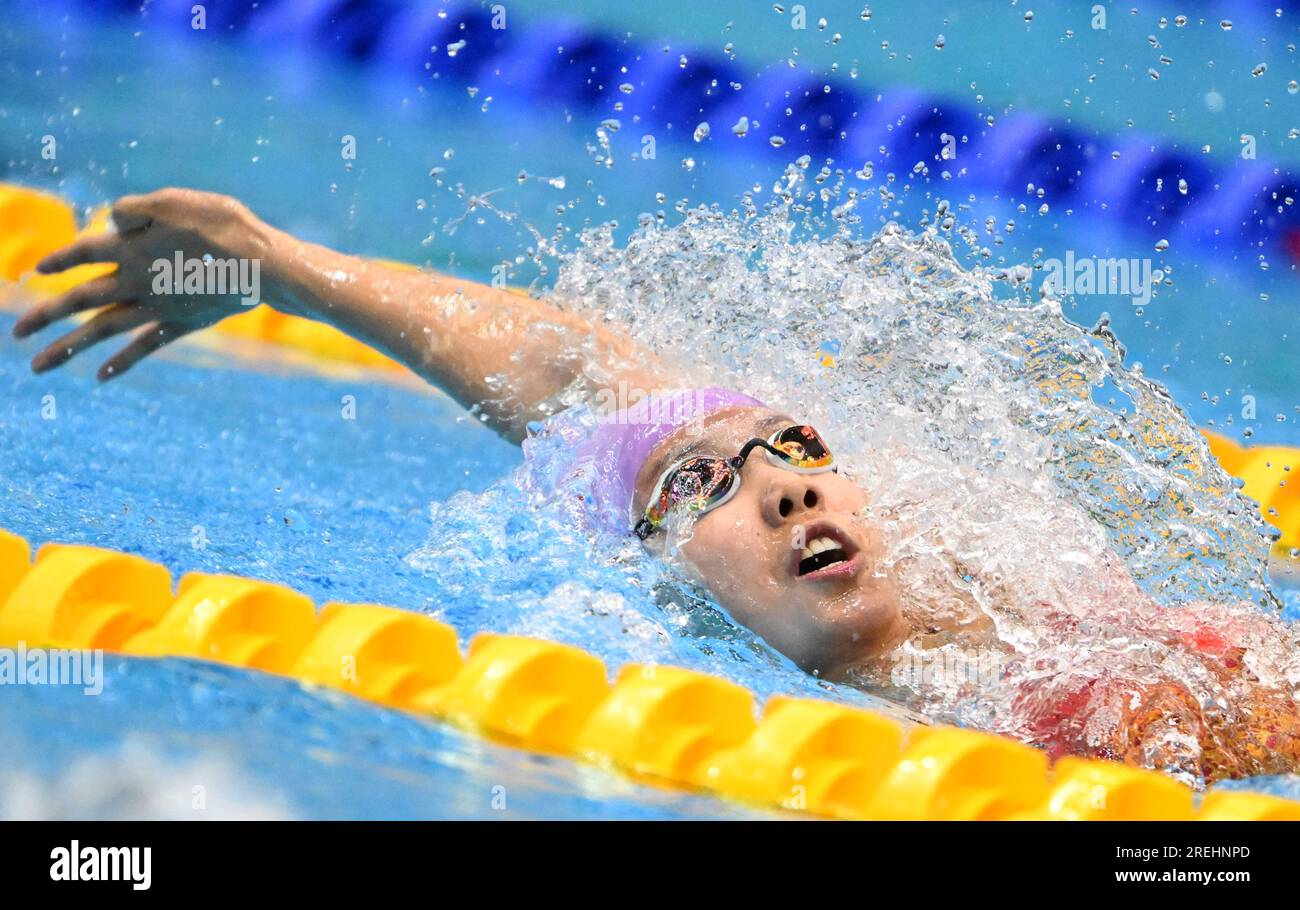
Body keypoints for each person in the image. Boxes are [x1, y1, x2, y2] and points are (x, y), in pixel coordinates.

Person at [14, 187, 1300, 784]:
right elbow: (567, 378)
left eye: (793, 452)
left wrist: (283, 263)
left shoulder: (1067, 633)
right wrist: (272, 261)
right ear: (651, 576)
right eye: (702, 483)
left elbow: (577, 364)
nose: (784, 491)